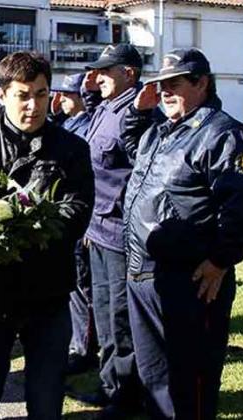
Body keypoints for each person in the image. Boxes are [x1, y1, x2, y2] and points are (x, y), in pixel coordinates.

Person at [123, 48, 243, 420]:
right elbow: (129, 149)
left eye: (174, 84)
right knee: (155, 378)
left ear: (201, 83)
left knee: (192, 382)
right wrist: (138, 111)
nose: (165, 93)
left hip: (190, 281)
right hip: (143, 274)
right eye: (160, 85)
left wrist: (220, 261)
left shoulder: (222, 134)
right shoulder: (160, 131)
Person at [0, 52, 94, 420]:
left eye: (42, 94)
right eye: (23, 95)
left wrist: (11, 245)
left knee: (46, 404)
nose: (33, 105)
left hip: (48, 295)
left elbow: (75, 212)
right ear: (1, 95)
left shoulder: (72, 150)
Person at [79, 43, 150, 418]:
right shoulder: (106, 107)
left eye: (107, 71)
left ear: (130, 74)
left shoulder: (138, 113)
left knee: (122, 319)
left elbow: (139, 166)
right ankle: (110, 388)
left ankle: (128, 395)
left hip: (122, 232)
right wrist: (89, 93)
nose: (99, 77)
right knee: (103, 314)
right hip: (99, 228)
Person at [51, 72, 98, 375]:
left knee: (82, 287)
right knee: (74, 289)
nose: (61, 100)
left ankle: (84, 349)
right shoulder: (68, 123)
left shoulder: (85, 125)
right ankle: (78, 344)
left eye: (66, 96)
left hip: (84, 221)